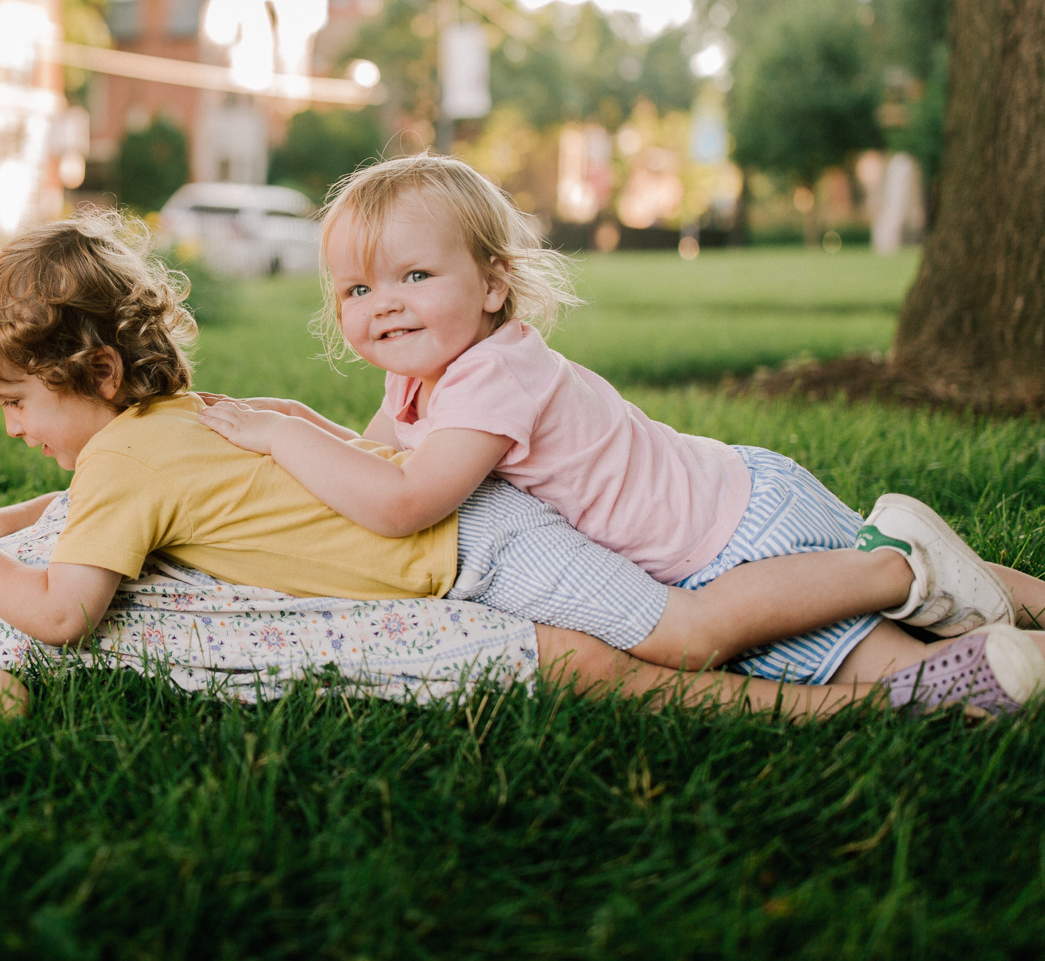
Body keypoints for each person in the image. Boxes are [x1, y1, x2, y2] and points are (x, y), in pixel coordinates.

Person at [0, 214, 1044, 709]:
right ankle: (952, 637)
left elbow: (63, 615)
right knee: (692, 614)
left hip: (475, 552)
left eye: (16, 401)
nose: (12, 427)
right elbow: (86, 505)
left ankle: (902, 572)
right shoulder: (184, 423)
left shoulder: (123, 471)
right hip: (474, 530)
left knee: (688, 634)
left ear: (99, 377)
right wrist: (14, 521)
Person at [196, 155, 1040, 684]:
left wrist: (280, 437)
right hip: (724, 511)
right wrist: (300, 423)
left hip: (729, 541)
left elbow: (407, 502)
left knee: (877, 665)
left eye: (414, 276)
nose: (383, 306)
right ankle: (987, 605)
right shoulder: (424, 378)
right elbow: (377, 459)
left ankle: (912, 573)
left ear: (493, 285)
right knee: (919, 643)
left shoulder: (491, 375)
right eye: (357, 289)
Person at [0, 484, 1041, 724]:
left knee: (646, 591)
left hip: (291, 564)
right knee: (587, 661)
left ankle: (942, 633)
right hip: (313, 639)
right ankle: (901, 689)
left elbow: (77, 496)